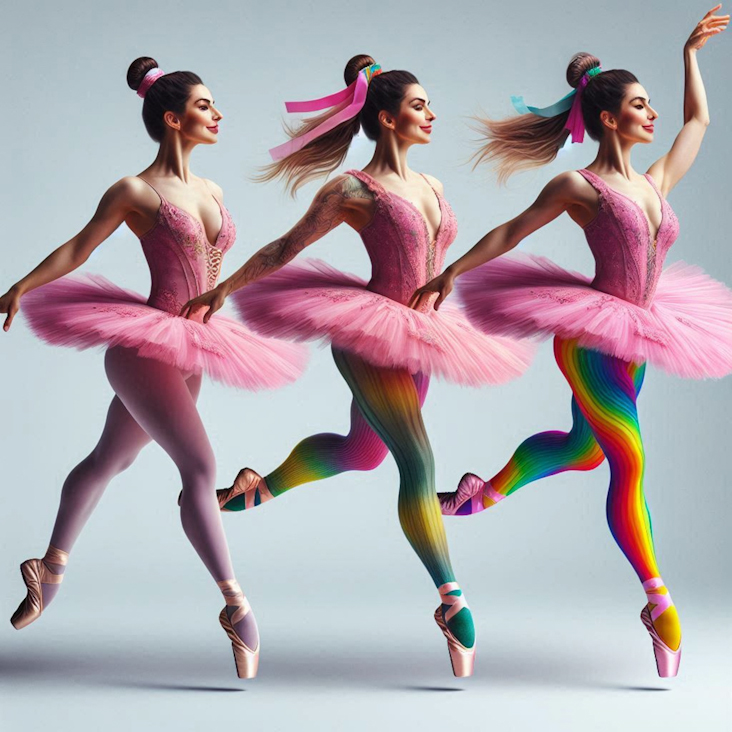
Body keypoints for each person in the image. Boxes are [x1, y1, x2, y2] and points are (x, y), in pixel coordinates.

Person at [180, 54, 535, 676]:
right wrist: (222, 289)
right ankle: (451, 599)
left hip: (421, 336)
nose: (431, 114)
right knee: (419, 461)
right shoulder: (351, 189)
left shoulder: (434, 188)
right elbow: (285, 247)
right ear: (386, 117)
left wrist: (451, 276)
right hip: (369, 335)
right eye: (419, 105)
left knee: (362, 451)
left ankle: (259, 486)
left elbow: (437, 259)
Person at [412, 7, 731, 678]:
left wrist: (688, 54)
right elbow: (510, 233)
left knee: (586, 450)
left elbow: (698, 122)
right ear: (608, 117)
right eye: (640, 106)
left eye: (652, 105)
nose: (653, 116)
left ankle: (486, 489)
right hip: (589, 338)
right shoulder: (578, 187)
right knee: (629, 460)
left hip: (641, 337)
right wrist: (449, 272)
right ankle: (658, 602)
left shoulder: (655, 182)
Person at [0, 56, 308, 679]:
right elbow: (79, 246)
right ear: (171, 118)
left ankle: (49, 567)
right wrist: (21, 287)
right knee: (201, 467)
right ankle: (236, 605)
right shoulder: (134, 191)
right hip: (141, 348)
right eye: (203, 106)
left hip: (195, 345)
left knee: (109, 459)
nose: (217, 114)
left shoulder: (213, 191)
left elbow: (216, 271)